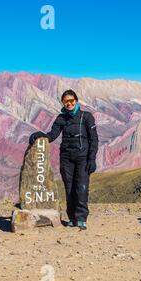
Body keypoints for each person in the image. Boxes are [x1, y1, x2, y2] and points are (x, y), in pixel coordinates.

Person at [29, 90, 99, 230]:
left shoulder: (86, 117)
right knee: (69, 188)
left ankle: (81, 218)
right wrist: (41, 136)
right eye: (66, 101)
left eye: (71, 101)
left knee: (81, 187)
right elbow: (53, 135)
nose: (69, 103)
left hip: (82, 158)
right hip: (66, 157)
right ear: (63, 103)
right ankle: (72, 218)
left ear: (76, 101)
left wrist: (92, 159)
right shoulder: (61, 118)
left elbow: (94, 139)